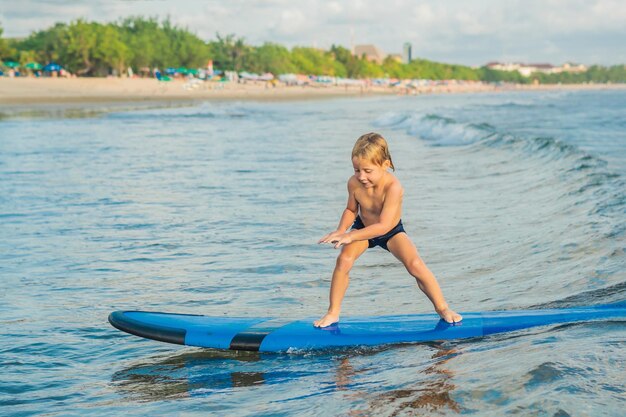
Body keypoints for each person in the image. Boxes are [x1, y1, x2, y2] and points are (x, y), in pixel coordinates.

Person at [315, 132, 462, 328]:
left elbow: (383, 225)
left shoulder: (394, 187)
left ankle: (443, 308)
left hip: (390, 231)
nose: (361, 176)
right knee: (343, 260)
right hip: (363, 228)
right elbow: (351, 209)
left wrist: (350, 236)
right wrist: (341, 230)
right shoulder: (354, 183)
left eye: (367, 170)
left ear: (385, 165)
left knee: (415, 264)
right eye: (356, 169)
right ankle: (333, 313)